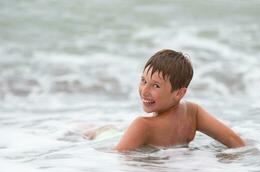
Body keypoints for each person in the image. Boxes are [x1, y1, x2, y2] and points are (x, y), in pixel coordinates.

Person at [85, 49, 245, 151]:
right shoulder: (193, 112)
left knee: (91, 131)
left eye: (155, 85)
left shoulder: (143, 125)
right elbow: (233, 140)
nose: (145, 91)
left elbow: (116, 159)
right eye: (143, 80)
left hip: (123, 144)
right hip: (171, 171)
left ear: (179, 93)